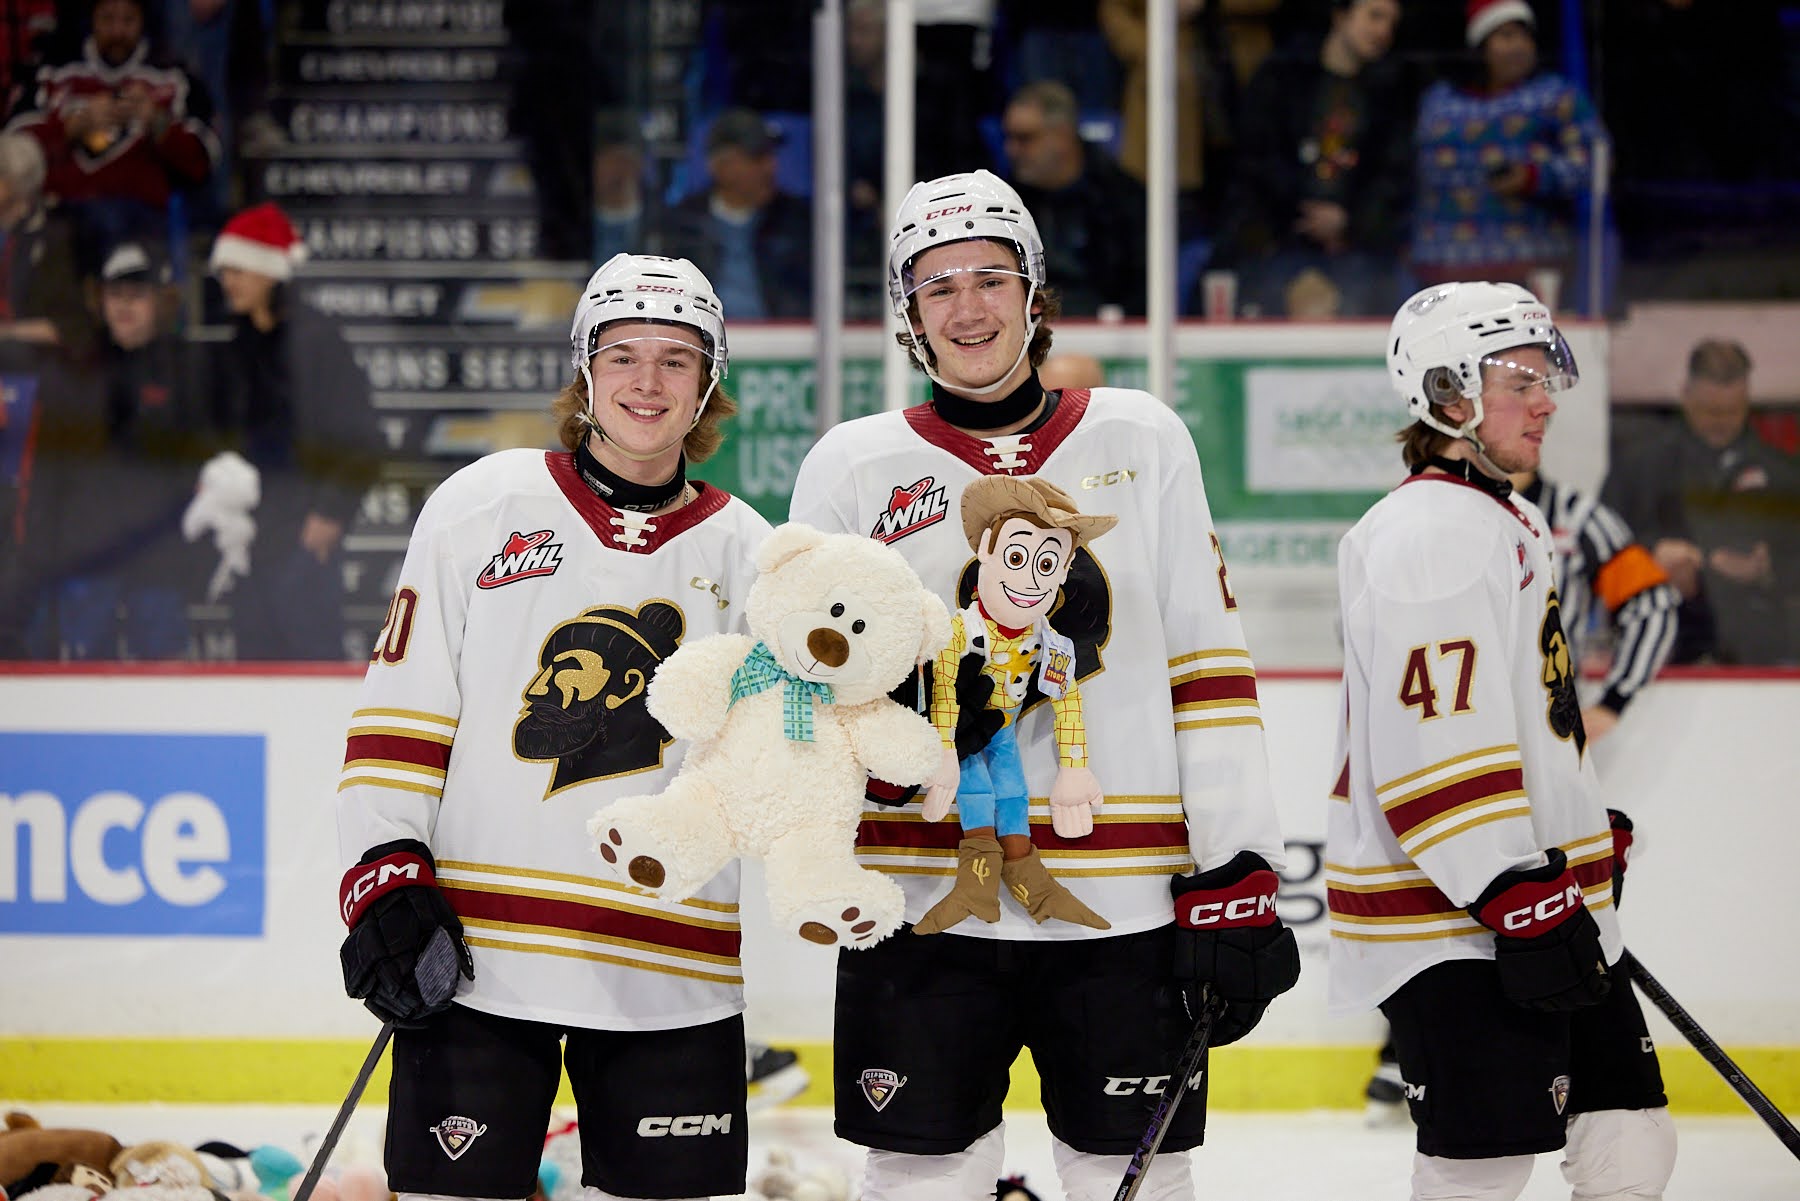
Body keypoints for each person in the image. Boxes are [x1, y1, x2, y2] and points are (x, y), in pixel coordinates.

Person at [789, 169, 1299, 1201]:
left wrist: (1238, 866)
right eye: (937, 287)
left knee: (1136, 1178)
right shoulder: (851, 466)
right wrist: (862, 771)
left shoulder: (1142, 437)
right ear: (907, 314)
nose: (967, 307)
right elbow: (805, 692)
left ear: (1034, 290)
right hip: (922, 907)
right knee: (919, 1179)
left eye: (990, 278)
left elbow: (1207, 666)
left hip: (1123, 906)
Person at [335, 254, 773, 1201]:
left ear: (708, 381)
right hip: (480, 963)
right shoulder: (482, 505)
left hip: (672, 971)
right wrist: (385, 873)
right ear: (585, 369)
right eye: (623, 356)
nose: (648, 382)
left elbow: (781, 762)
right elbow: (402, 711)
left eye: (676, 358)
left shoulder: (754, 552)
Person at [1327, 281, 1674, 1200]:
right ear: (1449, 395)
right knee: (1482, 1166)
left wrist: (1578, 830)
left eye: (1543, 378)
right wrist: (1511, 882)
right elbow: (1431, 749)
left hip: (1535, 899)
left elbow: (1518, 718)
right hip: (1462, 918)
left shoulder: (1502, 514)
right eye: (1519, 382)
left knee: (1629, 1134)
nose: (1545, 401)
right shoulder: (1429, 534)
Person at [10, 239, 211, 658]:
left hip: (159, 556)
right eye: (115, 295)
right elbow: (48, 469)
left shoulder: (187, 369)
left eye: (136, 295)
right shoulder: (74, 369)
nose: (124, 306)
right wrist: (41, 549)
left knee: (163, 672)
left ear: (160, 301)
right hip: (87, 555)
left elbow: (203, 464)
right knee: (84, 671)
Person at [207, 202, 381, 659]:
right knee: (253, 664)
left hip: (303, 534)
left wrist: (329, 514)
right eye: (224, 272)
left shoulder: (316, 339)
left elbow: (362, 437)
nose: (228, 281)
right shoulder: (236, 343)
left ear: (269, 271)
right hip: (248, 536)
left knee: (312, 659)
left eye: (237, 269)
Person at [1603, 338, 1800, 666]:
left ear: (1747, 400)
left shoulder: (1782, 475)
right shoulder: (1640, 466)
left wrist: (1769, 570)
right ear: (1686, 396)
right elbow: (1601, 546)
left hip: (1759, 657)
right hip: (1659, 649)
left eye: (1732, 411)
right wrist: (1651, 560)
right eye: (1710, 410)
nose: (1720, 420)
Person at [1217, 0, 1410, 318]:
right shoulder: (1282, 79)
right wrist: (1304, 213)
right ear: (1341, 16)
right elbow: (1257, 159)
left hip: (1355, 250)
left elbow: (1391, 178)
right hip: (1279, 240)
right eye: (1374, 16)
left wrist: (1347, 222)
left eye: (1391, 22)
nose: (1383, 31)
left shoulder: (1389, 96)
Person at [1408, 0, 1604, 296]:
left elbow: (1595, 162)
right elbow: (1412, 175)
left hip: (1532, 267)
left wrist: (1534, 177)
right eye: (1507, 36)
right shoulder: (1439, 102)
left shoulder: (1556, 96)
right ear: (1480, 45)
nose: (1520, 46)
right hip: (1443, 269)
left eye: (1526, 36)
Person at [4, 0, 218, 266]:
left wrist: (157, 122)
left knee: (111, 223)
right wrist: (70, 127)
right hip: (57, 214)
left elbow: (203, 163)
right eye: (107, 19)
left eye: (128, 20)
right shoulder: (52, 70)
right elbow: (11, 149)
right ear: (92, 21)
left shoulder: (172, 77)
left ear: (143, 22)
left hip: (139, 219)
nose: (117, 31)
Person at [1000, 80, 1147, 317]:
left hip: (1106, 328)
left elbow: (1142, 288)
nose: (1011, 150)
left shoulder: (1123, 198)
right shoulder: (1004, 200)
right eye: (1009, 137)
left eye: (1025, 138)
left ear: (1062, 136)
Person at [664, 108, 812, 320]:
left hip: (783, 335)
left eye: (771, 156)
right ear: (720, 166)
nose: (770, 167)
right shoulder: (682, 222)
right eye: (757, 157)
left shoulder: (796, 219)